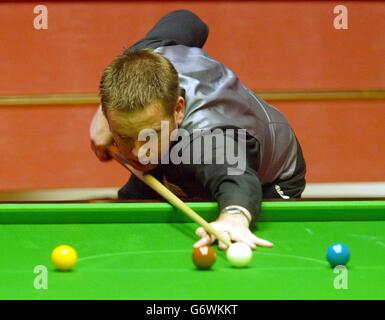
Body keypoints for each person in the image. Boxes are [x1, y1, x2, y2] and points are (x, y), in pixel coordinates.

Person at [90, 10, 306, 250]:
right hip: (172, 141)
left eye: (148, 136)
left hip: (271, 174)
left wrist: (234, 216)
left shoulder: (210, 138)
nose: (139, 153)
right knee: (133, 211)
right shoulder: (147, 56)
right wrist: (104, 114)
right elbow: (188, 20)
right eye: (125, 136)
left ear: (178, 110)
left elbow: (237, 178)